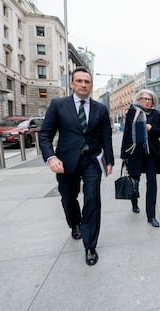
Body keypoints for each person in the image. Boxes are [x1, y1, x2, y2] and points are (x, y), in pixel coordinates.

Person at [39, 67, 114, 266]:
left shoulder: (100, 108)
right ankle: (75, 224)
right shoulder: (58, 105)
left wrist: (110, 161)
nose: (83, 84)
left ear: (91, 85)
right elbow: (45, 135)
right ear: (72, 83)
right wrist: (51, 158)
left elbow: (106, 136)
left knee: (92, 200)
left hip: (92, 161)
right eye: (79, 81)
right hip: (66, 162)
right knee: (68, 198)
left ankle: (90, 245)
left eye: (87, 82)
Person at [121, 89, 160, 228]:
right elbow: (126, 135)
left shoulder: (156, 114)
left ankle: (151, 216)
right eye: (144, 98)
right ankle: (134, 202)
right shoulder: (132, 112)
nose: (147, 101)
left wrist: (151, 128)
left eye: (150, 99)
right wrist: (124, 156)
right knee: (134, 183)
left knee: (152, 184)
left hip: (151, 154)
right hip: (135, 153)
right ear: (139, 99)